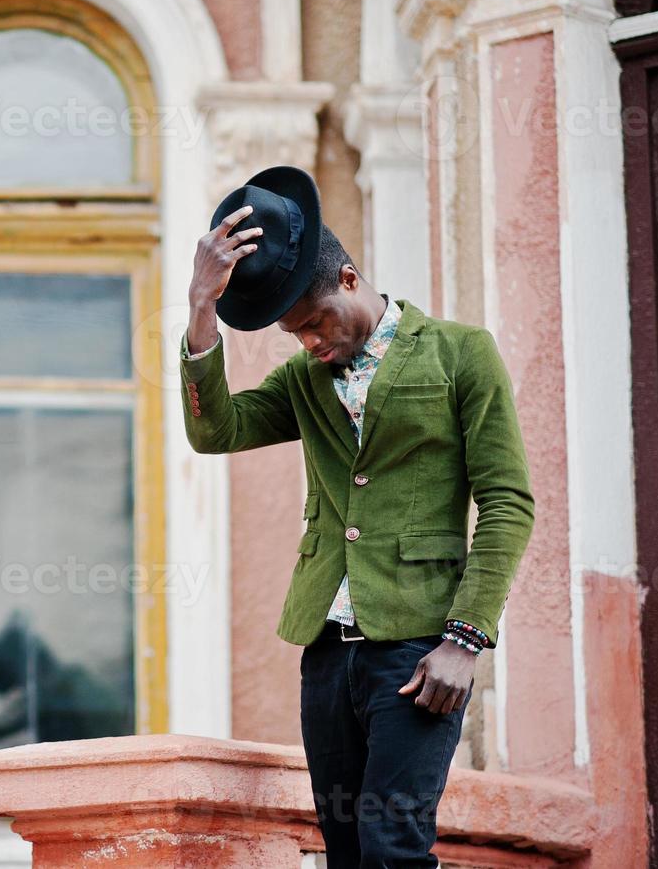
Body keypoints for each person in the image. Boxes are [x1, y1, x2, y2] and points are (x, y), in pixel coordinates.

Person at [179, 165, 534, 868]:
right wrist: (198, 307)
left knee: (392, 844)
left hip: (418, 648)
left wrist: (464, 639)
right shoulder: (304, 381)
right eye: (294, 334)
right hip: (326, 649)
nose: (309, 342)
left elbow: (506, 501)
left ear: (348, 281)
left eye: (314, 323)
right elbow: (213, 431)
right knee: (344, 850)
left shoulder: (460, 354)